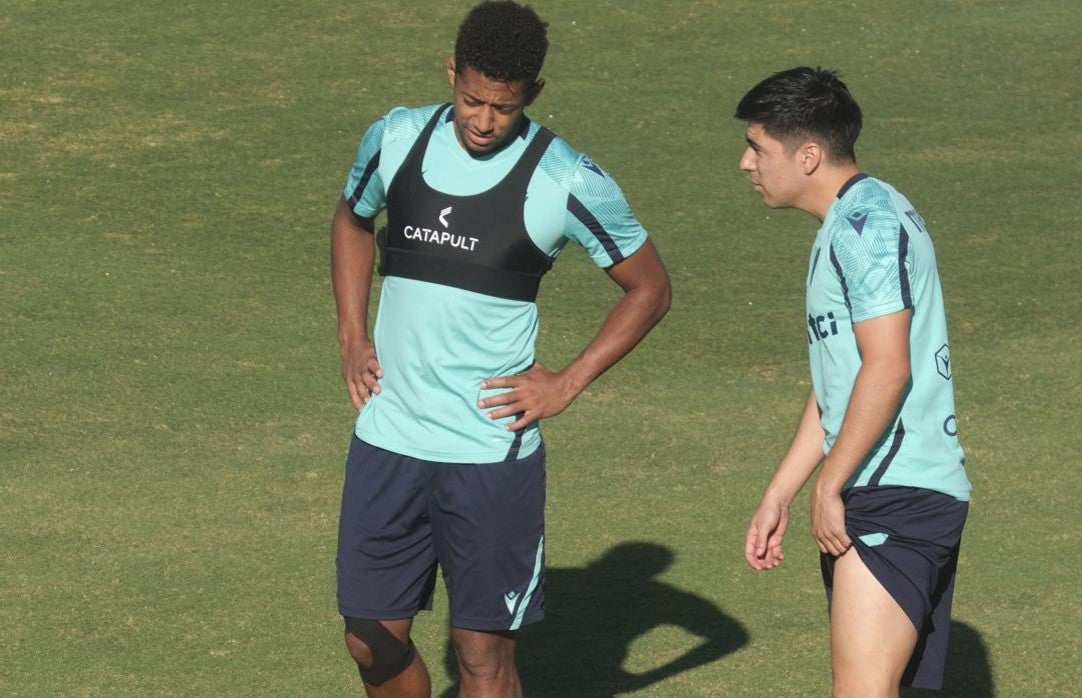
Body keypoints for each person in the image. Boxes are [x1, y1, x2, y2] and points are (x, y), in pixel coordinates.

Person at [329, 3, 671, 696]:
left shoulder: (566, 178)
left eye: (504, 108)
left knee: (483, 659)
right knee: (368, 636)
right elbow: (352, 218)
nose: (484, 121)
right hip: (388, 436)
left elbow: (650, 288)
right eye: (471, 100)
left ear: (533, 96)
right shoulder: (396, 138)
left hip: (488, 455)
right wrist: (352, 332)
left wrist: (566, 384)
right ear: (451, 73)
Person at [736, 67, 971, 696]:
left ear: (808, 154)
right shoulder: (852, 222)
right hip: (895, 490)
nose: (745, 162)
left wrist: (830, 483)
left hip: (895, 495)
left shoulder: (868, 228)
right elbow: (844, 382)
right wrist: (783, 490)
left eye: (758, 147)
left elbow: (889, 366)